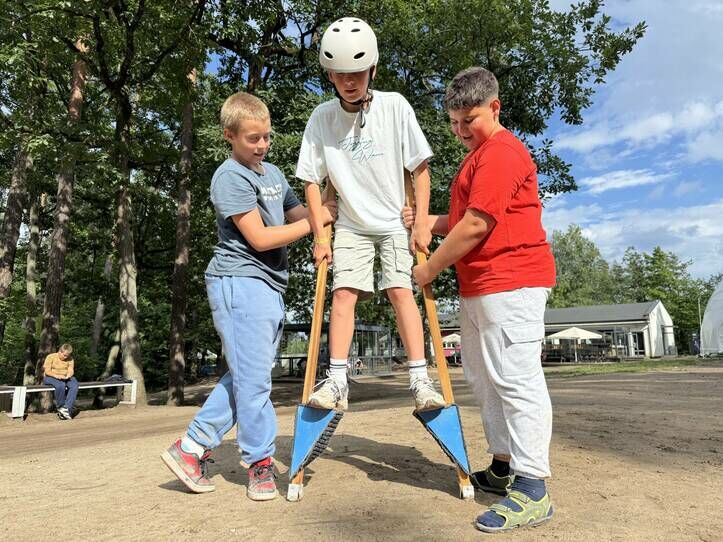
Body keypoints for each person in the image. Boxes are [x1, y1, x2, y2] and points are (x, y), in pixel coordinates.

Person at [161, 91, 336, 501]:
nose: (262, 145)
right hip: (239, 281)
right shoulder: (229, 177)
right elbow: (259, 238)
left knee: (247, 377)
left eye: (267, 137)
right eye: (252, 138)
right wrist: (318, 223)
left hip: (268, 284)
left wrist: (328, 206)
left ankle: (190, 448)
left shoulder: (271, 173)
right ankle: (259, 462)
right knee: (254, 382)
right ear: (229, 135)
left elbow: (301, 215)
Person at [406, 67, 556, 532]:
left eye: (468, 120)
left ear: (494, 107)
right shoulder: (477, 157)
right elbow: (461, 220)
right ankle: (503, 466)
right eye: (453, 122)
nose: (459, 131)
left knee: (515, 379)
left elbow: (476, 225)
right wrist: (425, 222)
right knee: (486, 380)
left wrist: (430, 268)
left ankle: (533, 488)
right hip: (481, 286)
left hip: (513, 281)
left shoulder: (501, 153)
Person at [296, 17, 445, 412]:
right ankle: (337, 381)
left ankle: (420, 380)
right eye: (341, 73)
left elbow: (420, 168)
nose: (350, 81)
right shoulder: (322, 118)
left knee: (400, 291)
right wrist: (320, 236)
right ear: (330, 75)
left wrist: (422, 223)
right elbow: (310, 179)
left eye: (358, 72)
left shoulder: (395, 106)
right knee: (343, 294)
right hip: (351, 224)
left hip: (395, 221)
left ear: (372, 69)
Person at [42, 343, 79, 420]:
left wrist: (68, 375)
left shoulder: (70, 359)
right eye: (64, 355)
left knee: (74, 385)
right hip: (50, 377)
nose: (66, 357)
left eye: (67, 356)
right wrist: (57, 376)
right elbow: (47, 371)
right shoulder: (51, 357)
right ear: (59, 351)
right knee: (60, 385)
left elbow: (71, 370)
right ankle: (61, 407)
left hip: (65, 377)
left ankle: (66, 409)